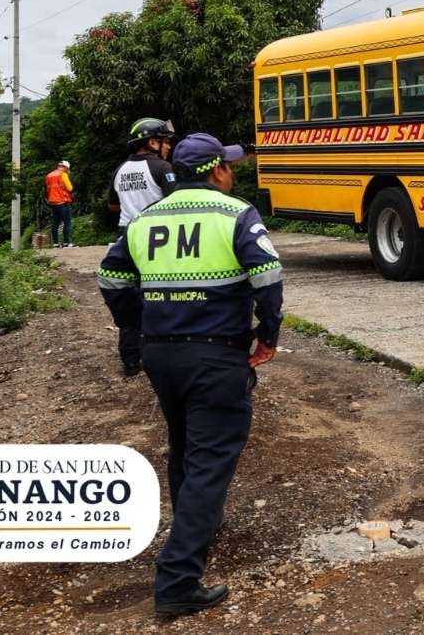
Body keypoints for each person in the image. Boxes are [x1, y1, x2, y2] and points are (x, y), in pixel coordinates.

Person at [96, 133, 282, 618]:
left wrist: (137, 323)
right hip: (215, 354)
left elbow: (110, 278)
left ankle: (194, 525)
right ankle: (178, 579)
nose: (234, 173)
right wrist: (268, 333)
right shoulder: (235, 213)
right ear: (217, 170)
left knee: (183, 441)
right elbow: (266, 274)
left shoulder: (144, 219)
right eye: (231, 166)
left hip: (162, 355)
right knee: (210, 457)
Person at [108, 118, 178, 376]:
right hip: (157, 237)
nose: (168, 147)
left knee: (130, 297)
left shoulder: (120, 170)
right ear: (152, 142)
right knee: (160, 295)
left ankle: (130, 360)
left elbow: (113, 206)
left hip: (126, 236)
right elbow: (177, 200)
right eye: (165, 142)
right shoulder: (162, 167)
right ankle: (161, 354)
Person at [45, 160, 75, 248]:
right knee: (67, 222)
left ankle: (55, 244)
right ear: (65, 167)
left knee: (55, 223)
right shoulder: (63, 174)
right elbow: (70, 188)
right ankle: (67, 243)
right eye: (68, 169)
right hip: (63, 201)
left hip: (52, 202)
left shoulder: (49, 175)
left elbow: (46, 189)